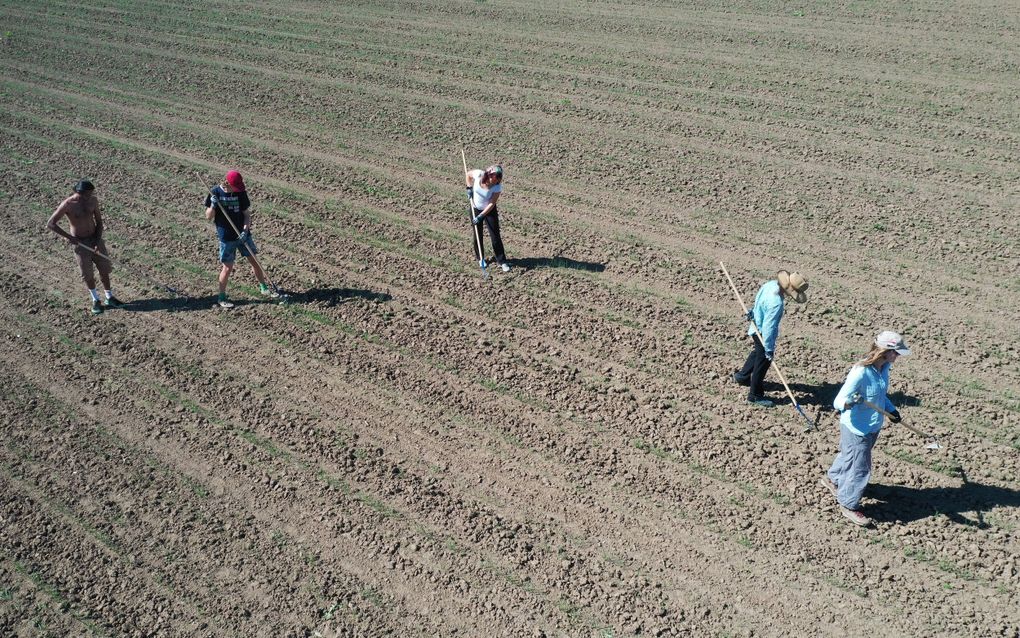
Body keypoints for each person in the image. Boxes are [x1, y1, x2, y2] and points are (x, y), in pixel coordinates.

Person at [821, 331, 911, 527]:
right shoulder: (861, 371)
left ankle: (833, 479)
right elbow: (838, 401)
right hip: (856, 428)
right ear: (884, 351)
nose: (898, 356)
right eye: (896, 352)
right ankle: (848, 504)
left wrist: (891, 410)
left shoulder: (884, 369)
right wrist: (850, 402)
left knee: (850, 456)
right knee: (861, 468)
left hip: (873, 425)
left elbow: (879, 395)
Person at [46, 180, 125, 315]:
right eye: (88, 194)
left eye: (91, 193)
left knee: (104, 269)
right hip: (80, 244)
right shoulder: (68, 204)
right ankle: (95, 300)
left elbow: (99, 221)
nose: (90, 196)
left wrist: (97, 240)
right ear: (79, 193)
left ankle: (109, 297)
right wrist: (70, 237)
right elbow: (51, 223)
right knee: (87, 273)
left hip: (95, 239)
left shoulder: (93, 201)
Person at [732, 270, 808, 406]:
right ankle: (755, 395)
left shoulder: (770, 284)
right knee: (763, 362)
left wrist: (753, 312)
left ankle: (742, 376)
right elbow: (769, 327)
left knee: (757, 353)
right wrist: (769, 348)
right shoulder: (776, 303)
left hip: (755, 325)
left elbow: (759, 300)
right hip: (762, 332)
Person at [204, 170, 276, 308]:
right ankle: (221, 297)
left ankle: (263, 287)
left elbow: (246, 215)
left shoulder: (240, 193)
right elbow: (208, 216)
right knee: (227, 268)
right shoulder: (215, 192)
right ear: (228, 183)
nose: (238, 190)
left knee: (255, 261)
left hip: (243, 235)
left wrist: (245, 231)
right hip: (227, 237)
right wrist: (213, 205)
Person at [465, 164, 510, 272]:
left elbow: (491, 203)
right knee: (477, 234)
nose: (494, 181)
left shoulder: (497, 187)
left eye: (497, 180)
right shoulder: (479, 174)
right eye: (493, 178)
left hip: (489, 211)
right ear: (488, 174)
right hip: (475, 208)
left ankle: (502, 261)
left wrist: (481, 216)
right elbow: (468, 175)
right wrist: (469, 188)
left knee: (495, 236)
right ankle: (480, 258)